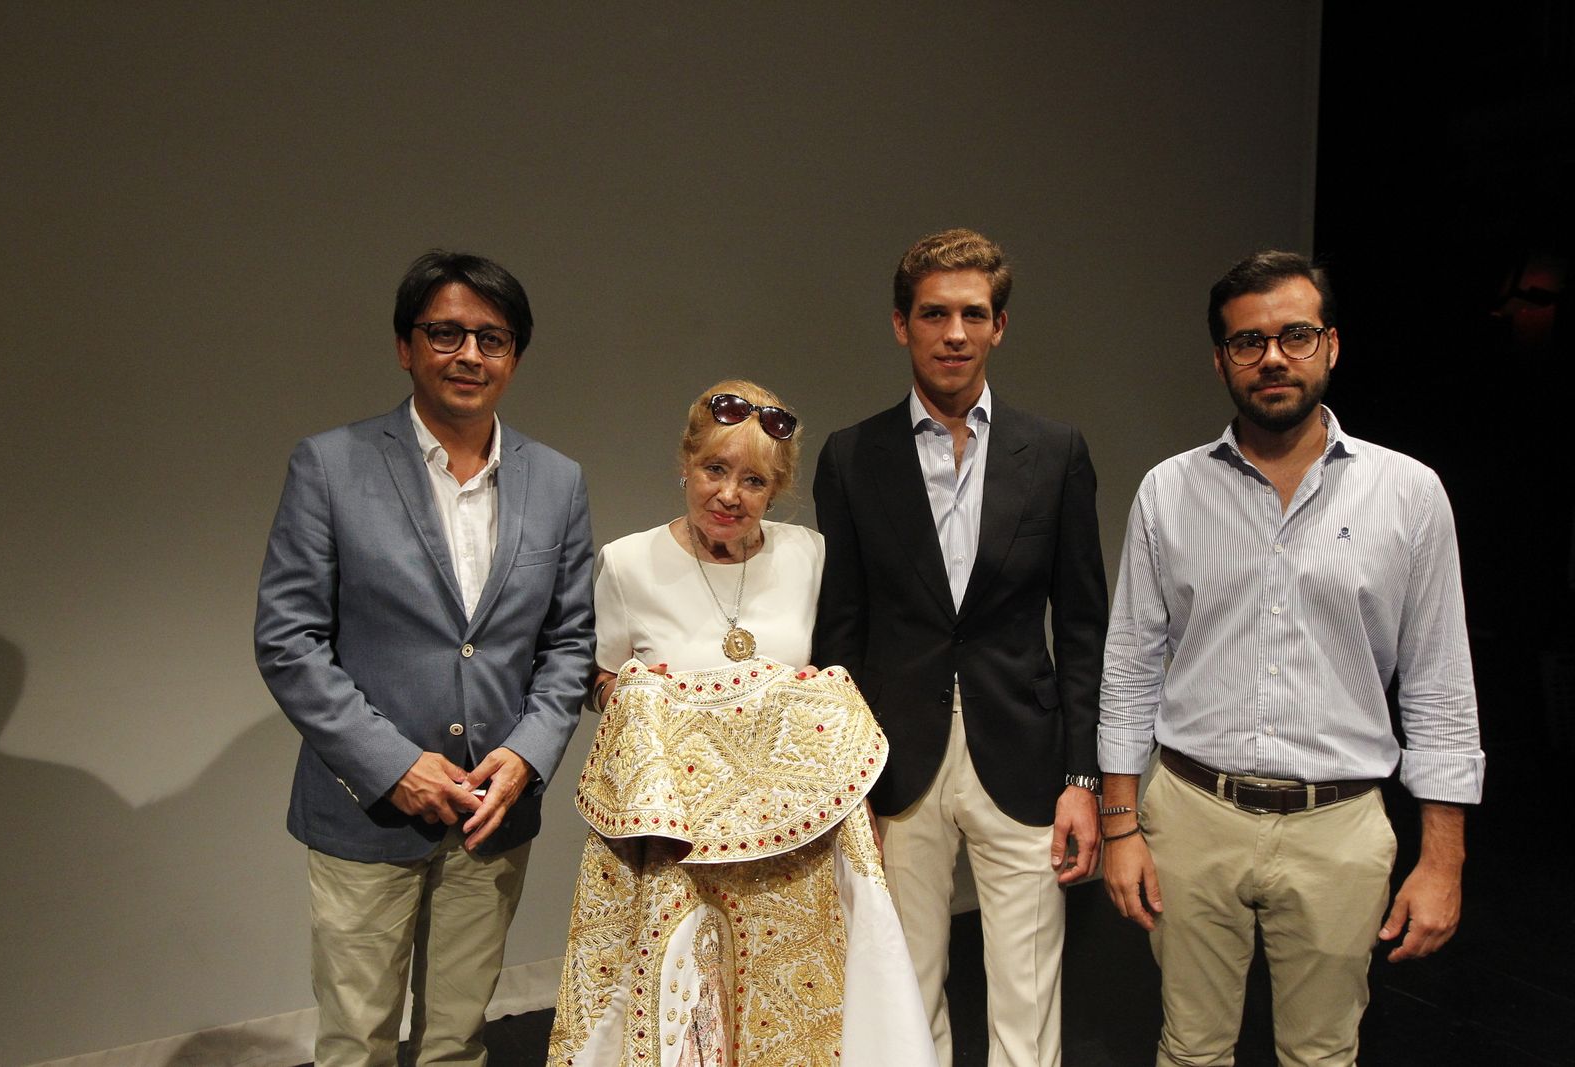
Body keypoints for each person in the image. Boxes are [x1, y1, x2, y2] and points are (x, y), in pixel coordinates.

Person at [1097, 250, 1484, 1067]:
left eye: (1295, 335)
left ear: (1331, 346)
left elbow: (1441, 685)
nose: (1273, 356)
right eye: (1248, 342)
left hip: (1339, 828)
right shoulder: (1169, 492)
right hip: (1194, 816)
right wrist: (1122, 823)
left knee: (1322, 1054)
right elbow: (1130, 666)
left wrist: (1442, 860)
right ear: (1221, 360)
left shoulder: (1409, 494)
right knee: (1191, 1048)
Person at [255, 250, 594, 1067]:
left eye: (492, 337)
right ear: (406, 346)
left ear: (514, 356)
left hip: (492, 812)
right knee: (357, 1042)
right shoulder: (331, 464)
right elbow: (288, 638)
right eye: (445, 332)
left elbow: (570, 643)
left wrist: (527, 754)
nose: (469, 354)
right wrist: (395, 763)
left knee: (457, 1041)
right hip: (368, 810)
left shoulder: (558, 480)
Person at [547, 381, 936, 1067]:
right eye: (715, 470)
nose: (729, 494)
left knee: (798, 1012)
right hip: (681, 846)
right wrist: (639, 691)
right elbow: (603, 681)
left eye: (753, 480)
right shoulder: (629, 562)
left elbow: (836, 668)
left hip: (798, 847)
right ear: (686, 462)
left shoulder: (810, 556)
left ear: (777, 488)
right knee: (691, 1008)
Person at [812, 229, 1109, 1067]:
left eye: (972, 314)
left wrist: (1084, 777)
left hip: (1025, 752)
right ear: (900, 325)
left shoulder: (1054, 454)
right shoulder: (852, 455)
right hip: (897, 763)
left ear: (1000, 326)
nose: (954, 333)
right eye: (934, 313)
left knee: (1028, 993)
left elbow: (1084, 628)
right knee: (904, 988)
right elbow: (841, 635)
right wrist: (848, 782)